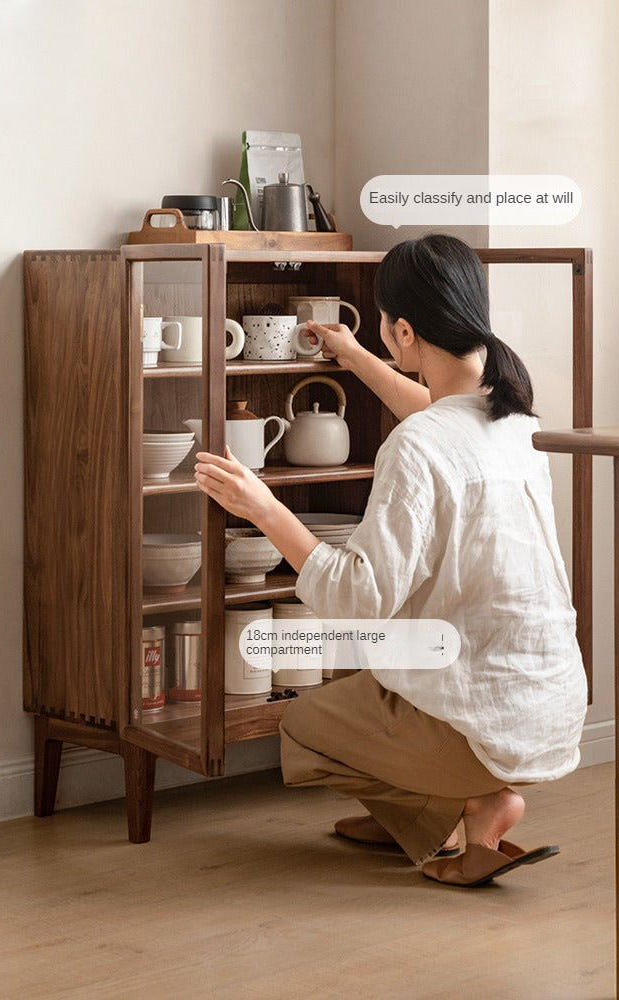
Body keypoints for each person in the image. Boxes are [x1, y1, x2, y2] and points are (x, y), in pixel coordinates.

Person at [194, 234, 588, 888]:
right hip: (551, 705)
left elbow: (358, 597)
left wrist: (263, 506)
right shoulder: (516, 420)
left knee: (305, 724)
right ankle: (435, 816)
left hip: (480, 722)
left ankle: (461, 802)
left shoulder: (417, 446)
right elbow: (437, 418)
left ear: (403, 329)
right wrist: (354, 356)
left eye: (382, 326)